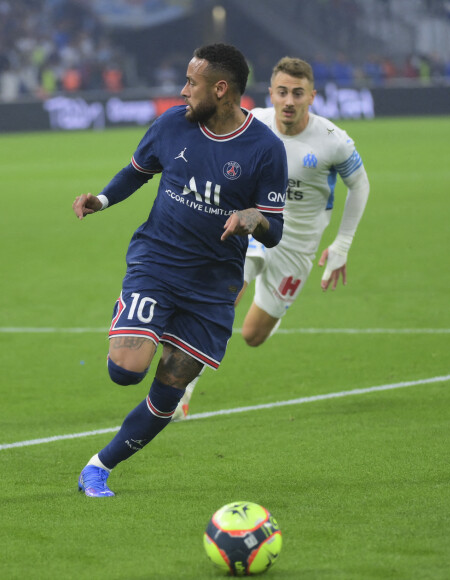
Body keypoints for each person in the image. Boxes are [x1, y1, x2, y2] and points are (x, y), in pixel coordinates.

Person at [73, 43, 287, 497]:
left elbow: (276, 231)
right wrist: (103, 200)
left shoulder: (265, 150)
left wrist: (256, 218)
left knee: (170, 389)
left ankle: (98, 467)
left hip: (213, 286)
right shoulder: (172, 124)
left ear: (222, 89)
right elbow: (137, 171)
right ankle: (142, 318)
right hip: (158, 263)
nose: (183, 90)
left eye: (193, 83)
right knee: (126, 370)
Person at [173, 56, 370, 421]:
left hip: (297, 244)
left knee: (252, 335)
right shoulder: (254, 123)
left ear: (312, 96)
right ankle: (182, 391)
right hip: (255, 224)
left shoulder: (332, 141)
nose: (289, 101)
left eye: (298, 93)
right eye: (282, 92)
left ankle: (271, 312)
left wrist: (342, 244)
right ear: (271, 94)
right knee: (229, 293)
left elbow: (360, 185)